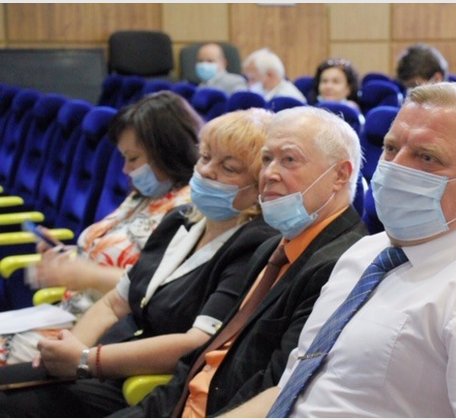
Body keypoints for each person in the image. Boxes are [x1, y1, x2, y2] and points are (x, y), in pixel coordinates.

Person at [222, 82, 456, 418]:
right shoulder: (365, 252)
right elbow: (294, 387)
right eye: (391, 149)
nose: (394, 168)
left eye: (426, 157)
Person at [0, 109, 280, 417]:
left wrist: (86, 360)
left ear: (260, 185)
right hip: (102, 359)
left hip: (141, 383)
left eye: (228, 168)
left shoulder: (254, 244)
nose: (207, 171)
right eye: (205, 157)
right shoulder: (180, 219)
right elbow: (115, 303)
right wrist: (67, 351)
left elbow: (198, 343)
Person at [103, 105, 368, 417]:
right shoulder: (272, 248)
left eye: (289, 160)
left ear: (340, 175)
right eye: (266, 159)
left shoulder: (340, 266)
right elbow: (204, 360)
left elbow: (280, 393)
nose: (269, 173)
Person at [0, 91, 200, 366]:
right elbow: (113, 250)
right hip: (68, 314)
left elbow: (159, 290)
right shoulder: (143, 195)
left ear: (166, 152)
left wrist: (87, 274)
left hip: (104, 336)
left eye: (133, 158)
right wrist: (67, 255)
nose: (125, 170)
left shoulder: (189, 210)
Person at [242, 48, 307, 103]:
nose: (249, 84)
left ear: (270, 75)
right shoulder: (263, 92)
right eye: (248, 79)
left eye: (253, 79)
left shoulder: (289, 98)